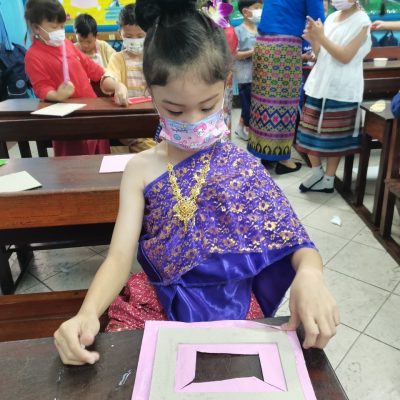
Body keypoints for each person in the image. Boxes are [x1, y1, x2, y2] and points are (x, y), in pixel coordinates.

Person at [54, 0, 338, 366]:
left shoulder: (241, 165)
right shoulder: (140, 169)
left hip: (233, 309)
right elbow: (119, 257)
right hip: (157, 303)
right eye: (174, 110)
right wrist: (87, 312)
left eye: (207, 107)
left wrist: (310, 275)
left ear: (226, 85)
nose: (191, 120)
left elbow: (294, 238)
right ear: (151, 94)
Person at [295, 0, 371, 193]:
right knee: (308, 133)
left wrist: (321, 37)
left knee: (334, 138)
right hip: (319, 83)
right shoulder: (331, 17)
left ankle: (328, 179)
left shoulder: (362, 21)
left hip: (342, 88)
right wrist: (314, 40)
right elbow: (320, 54)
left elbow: (345, 56)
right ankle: (317, 173)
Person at [248, 0, 325, 174]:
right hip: (284, 46)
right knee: (283, 102)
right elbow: (318, 21)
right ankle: (282, 158)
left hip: (263, 44)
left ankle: (266, 153)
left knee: (263, 100)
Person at [24, 0, 110, 156]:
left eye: (62, 26)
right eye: (54, 27)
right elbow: (41, 86)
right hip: (68, 120)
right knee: (75, 164)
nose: (60, 31)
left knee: (100, 158)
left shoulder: (66, 44)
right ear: (36, 27)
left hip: (91, 112)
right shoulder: (33, 55)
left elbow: (90, 66)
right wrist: (57, 95)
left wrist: (110, 78)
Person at [100, 3, 155, 153]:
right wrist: (117, 86)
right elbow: (106, 82)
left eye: (140, 36)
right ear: (120, 33)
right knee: (144, 144)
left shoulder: (155, 57)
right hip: (129, 119)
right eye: (129, 36)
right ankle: (156, 157)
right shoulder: (118, 58)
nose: (134, 40)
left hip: (152, 117)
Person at [233, 0, 262, 141]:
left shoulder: (260, 29)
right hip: (245, 76)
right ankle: (248, 131)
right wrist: (253, 51)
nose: (260, 11)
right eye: (256, 8)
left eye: (261, 8)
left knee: (255, 105)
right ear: (245, 11)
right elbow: (235, 54)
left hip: (260, 75)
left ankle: (240, 128)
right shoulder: (238, 31)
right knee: (248, 107)